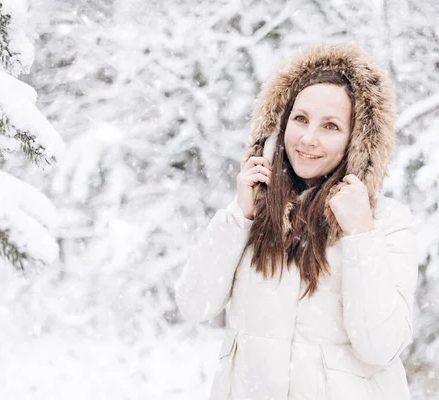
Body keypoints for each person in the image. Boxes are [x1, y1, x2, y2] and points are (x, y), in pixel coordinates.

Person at [174, 43, 418, 400]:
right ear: (280, 123)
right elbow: (195, 305)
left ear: (356, 142)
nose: (308, 139)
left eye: (331, 126)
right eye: (300, 119)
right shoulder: (254, 210)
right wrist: (238, 216)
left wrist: (360, 234)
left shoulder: (386, 221)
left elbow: (380, 346)